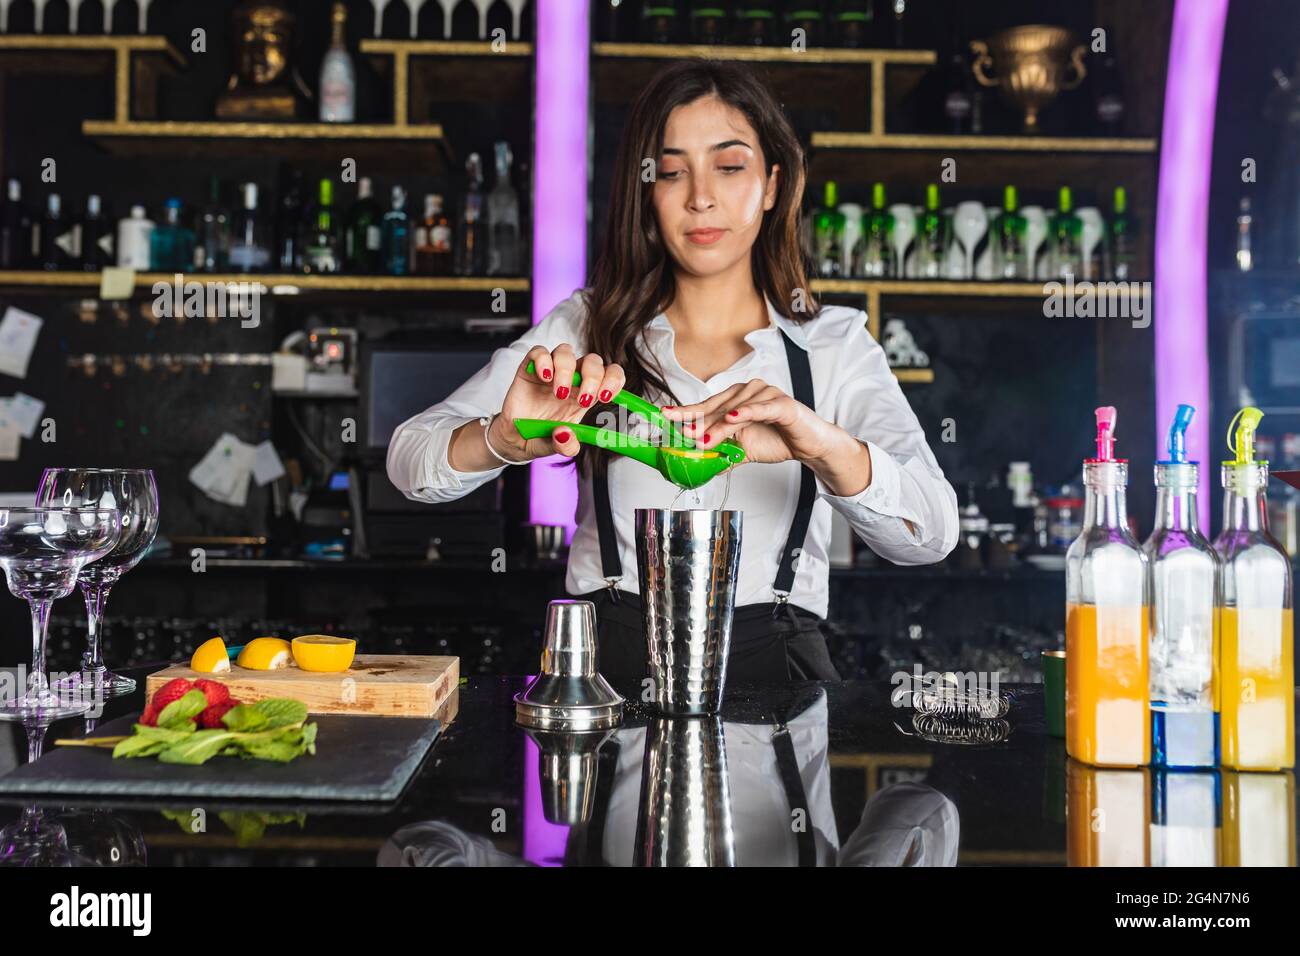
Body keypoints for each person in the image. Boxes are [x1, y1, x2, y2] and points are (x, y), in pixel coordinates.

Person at [388, 59, 958, 683]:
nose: (701, 196)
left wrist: (819, 443)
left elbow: (931, 534)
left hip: (780, 668)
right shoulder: (583, 326)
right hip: (608, 666)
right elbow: (408, 464)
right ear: (646, 190)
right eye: (671, 171)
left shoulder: (834, 343)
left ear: (771, 185)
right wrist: (499, 439)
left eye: (730, 166)